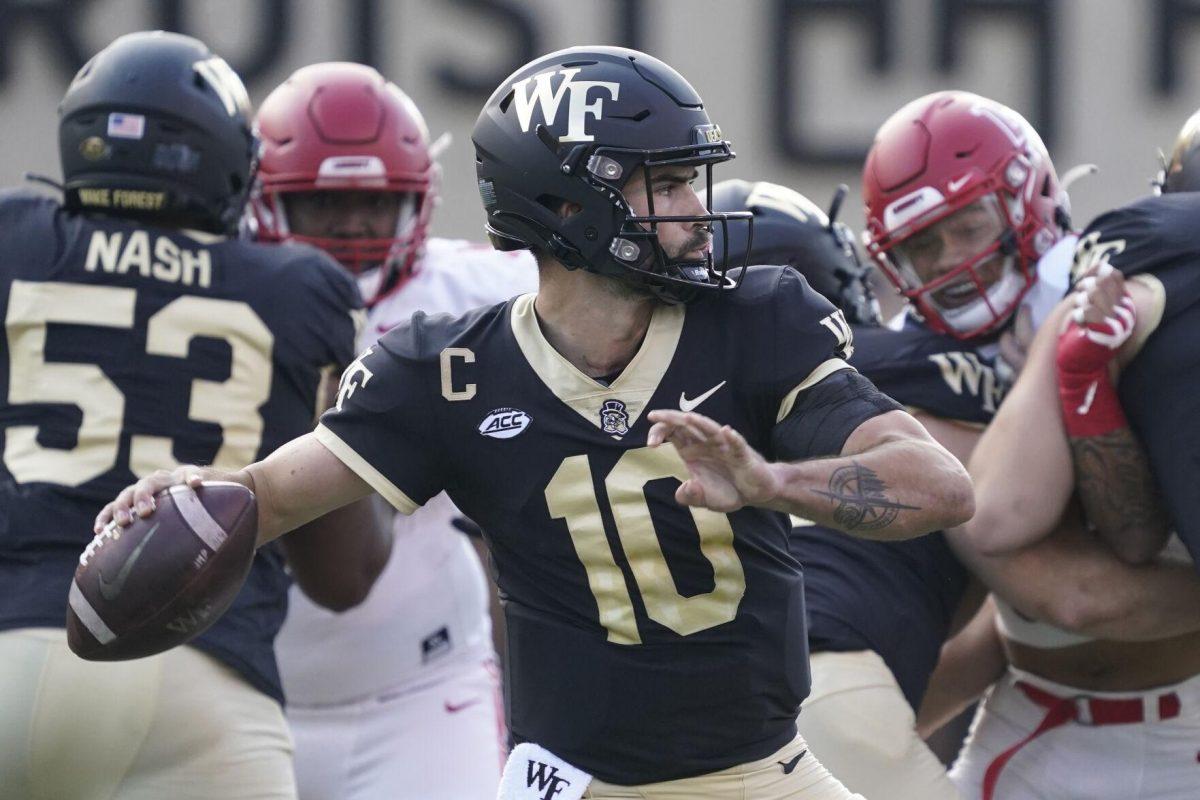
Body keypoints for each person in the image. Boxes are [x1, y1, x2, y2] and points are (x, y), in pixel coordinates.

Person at [97, 46, 973, 799]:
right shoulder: (447, 369)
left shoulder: (755, 320)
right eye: (665, 183)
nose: (695, 210)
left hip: (760, 772)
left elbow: (941, 488)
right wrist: (192, 496)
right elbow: (273, 497)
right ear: (567, 206)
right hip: (573, 781)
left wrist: (773, 484)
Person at [0, 32, 387, 800]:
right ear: (227, 162)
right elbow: (342, 577)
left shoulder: (14, 238)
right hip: (200, 680)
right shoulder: (303, 287)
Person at [248, 61, 536, 800]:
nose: (352, 225)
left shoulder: (485, 294)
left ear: (418, 202)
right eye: (325, 204)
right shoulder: (225, 294)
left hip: (424, 690)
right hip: (245, 693)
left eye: (375, 203)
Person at [941, 108, 1200, 800]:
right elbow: (1068, 582)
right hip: (1043, 719)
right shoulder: (1082, 299)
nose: (946, 264)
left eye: (962, 232)